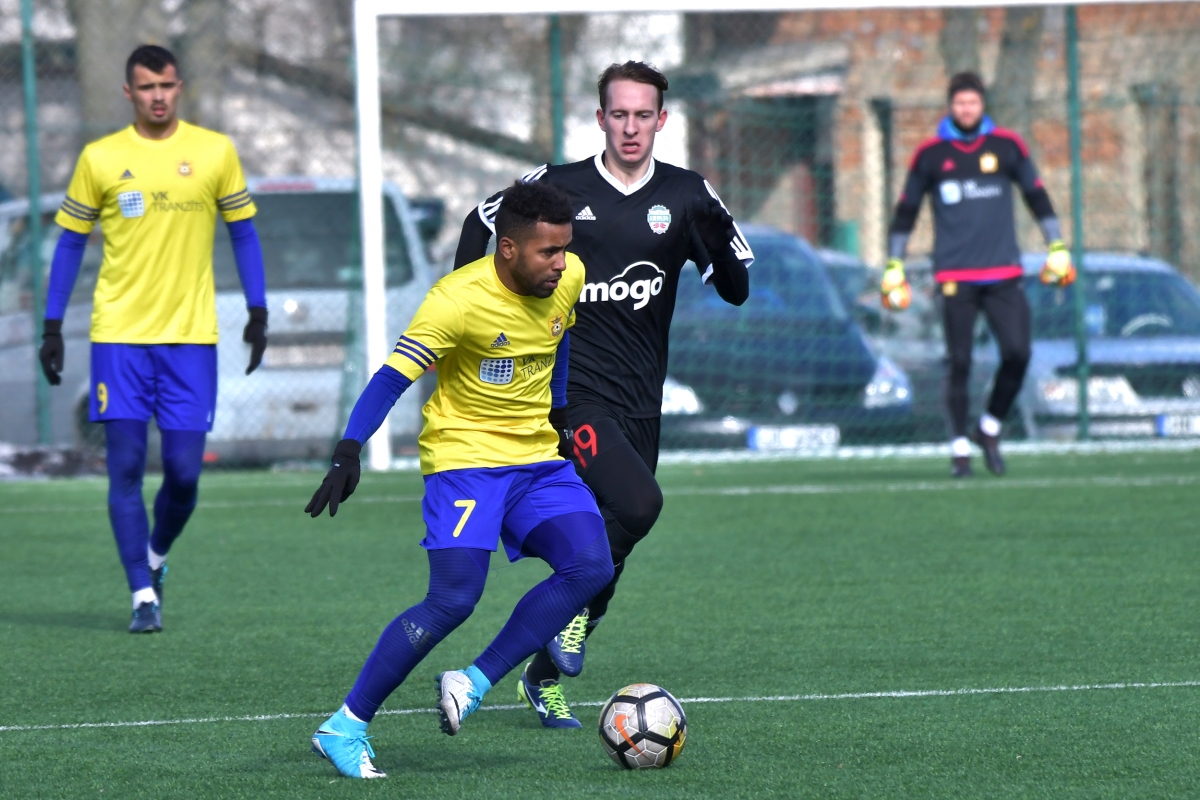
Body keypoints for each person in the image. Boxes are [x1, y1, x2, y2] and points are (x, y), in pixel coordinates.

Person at [453, 61, 752, 728]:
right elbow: (480, 223)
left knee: (611, 546)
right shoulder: (559, 186)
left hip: (643, 400)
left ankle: (541, 674)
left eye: (643, 115)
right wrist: (478, 306)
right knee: (639, 503)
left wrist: (715, 230)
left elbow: (736, 289)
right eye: (619, 114)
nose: (631, 127)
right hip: (572, 395)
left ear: (662, 120)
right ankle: (540, 635)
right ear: (600, 118)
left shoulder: (685, 193)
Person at [305, 180, 613, 780]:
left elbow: (561, 337)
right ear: (507, 249)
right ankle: (345, 725)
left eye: (565, 248)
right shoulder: (455, 301)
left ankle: (472, 682)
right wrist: (348, 450)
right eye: (548, 251)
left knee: (591, 566)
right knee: (453, 600)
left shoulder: (569, 276)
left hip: (538, 460)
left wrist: (559, 412)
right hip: (465, 460)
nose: (562, 263)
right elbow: (391, 378)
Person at [39, 45, 268, 633]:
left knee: (185, 474)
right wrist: (52, 324)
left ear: (179, 86)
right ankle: (141, 594)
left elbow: (243, 233)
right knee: (125, 467)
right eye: (146, 87)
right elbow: (70, 241)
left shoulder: (214, 151)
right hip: (119, 337)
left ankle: (155, 556)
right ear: (129, 93)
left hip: (190, 339)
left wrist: (258, 309)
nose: (157, 96)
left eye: (166, 85)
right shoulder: (101, 157)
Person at [883, 71, 1074, 478]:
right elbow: (906, 211)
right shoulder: (931, 155)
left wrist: (1057, 245)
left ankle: (988, 428)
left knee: (1018, 353)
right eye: (959, 103)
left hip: (1004, 271)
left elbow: (1036, 195)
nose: (966, 109)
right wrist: (894, 264)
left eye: (972, 102)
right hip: (955, 274)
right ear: (950, 106)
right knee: (960, 361)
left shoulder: (1007, 146)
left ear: (982, 104)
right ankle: (959, 450)